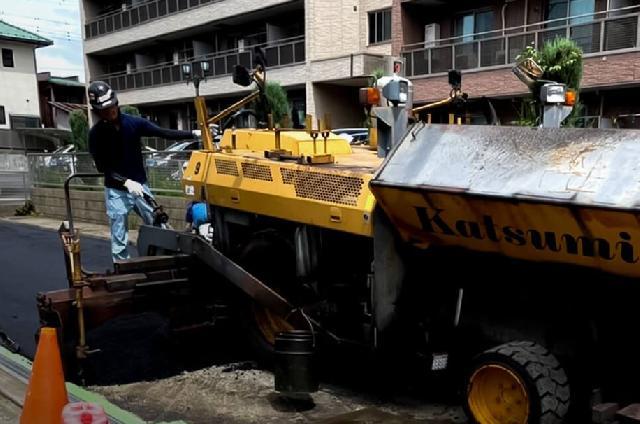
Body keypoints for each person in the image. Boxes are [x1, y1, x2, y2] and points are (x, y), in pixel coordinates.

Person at [88, 81, 195, 261]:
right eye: (104, 110)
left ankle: (164, 260)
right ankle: (121, 268)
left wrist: (192, 134)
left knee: (157, 223)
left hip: (140, 186)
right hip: (116, 191)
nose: (109, 111)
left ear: (116, 103)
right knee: (119, 234)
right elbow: (103, 168)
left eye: (111, 107)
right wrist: (125, 182)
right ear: (97, 111)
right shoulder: (96, 135)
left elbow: (162, 132)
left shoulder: (133, 123)